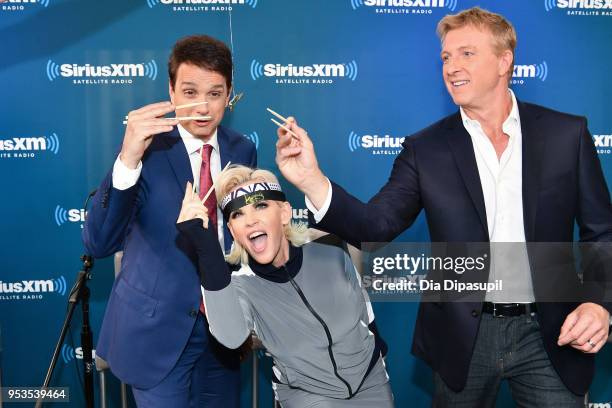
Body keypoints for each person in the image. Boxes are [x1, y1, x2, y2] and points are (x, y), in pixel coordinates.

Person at [274, 7, 612, 407]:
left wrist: (599, 303)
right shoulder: (426, 149)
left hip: (551, 332)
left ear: (504, 61)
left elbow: (601, 232)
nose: (452, 67)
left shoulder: (566, 134)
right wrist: (312, 180)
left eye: (467, 53)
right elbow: (374, 226)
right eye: (446, 58)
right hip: (462, 337)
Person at [82, 35, 256, 407]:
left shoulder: (242, 149)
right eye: (190, 91)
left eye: (215, 93)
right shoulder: (147, 150)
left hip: (222, 332)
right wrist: (128, 159)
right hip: (155, 333)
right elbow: (98, 243)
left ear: (229, 94)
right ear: (171, 91)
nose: (203, 107)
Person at [175, 165, 394, 407]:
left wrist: (379, 362)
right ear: (233, 231)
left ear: (284, 213)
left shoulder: (331, 253)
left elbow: (366, 316)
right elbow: (231, 338)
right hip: (307, 395)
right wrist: (205, 245)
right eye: (237, 215)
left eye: (261, 206)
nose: (251, 221)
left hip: (372, 383)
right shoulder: (240, 285)